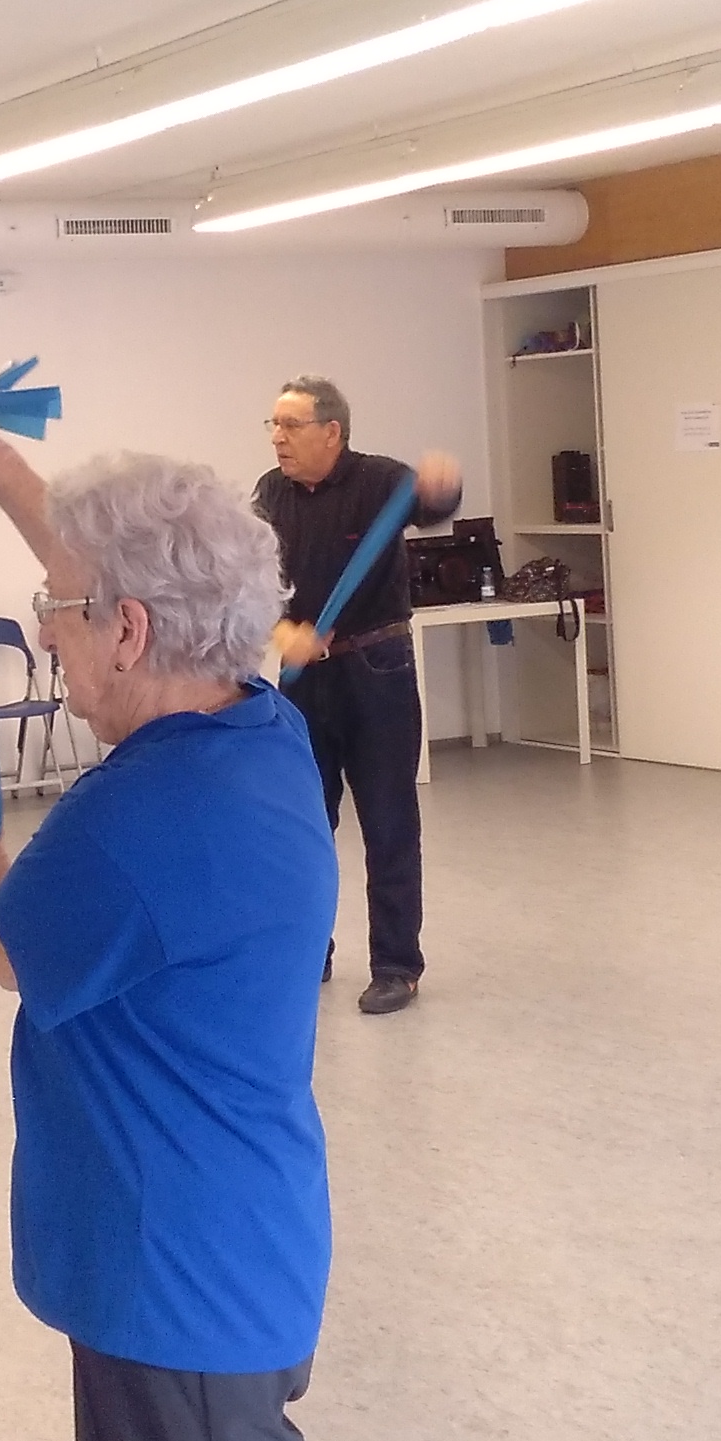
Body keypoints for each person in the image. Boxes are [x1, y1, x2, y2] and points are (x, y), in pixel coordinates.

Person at [0, 382, 335, 1441]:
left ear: (130, 631)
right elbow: (114, 572)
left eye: (57, 613)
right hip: (239, 1247)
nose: (49, 632)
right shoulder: (263, 726)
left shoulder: (131, 823)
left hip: (177, 1294)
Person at [253, 376, 459, 1015]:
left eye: (290, 425)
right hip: (304, 678)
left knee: (388, 820)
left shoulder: (380, 481)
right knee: (304, 821)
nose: (278, 438)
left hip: (377, 669)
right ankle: (308, 950)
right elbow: (250, 575)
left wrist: (443, 486)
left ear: (332, 432)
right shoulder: (271, 492)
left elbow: (433, 506)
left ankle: (396, 964)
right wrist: (281, 631)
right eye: (273, 425)